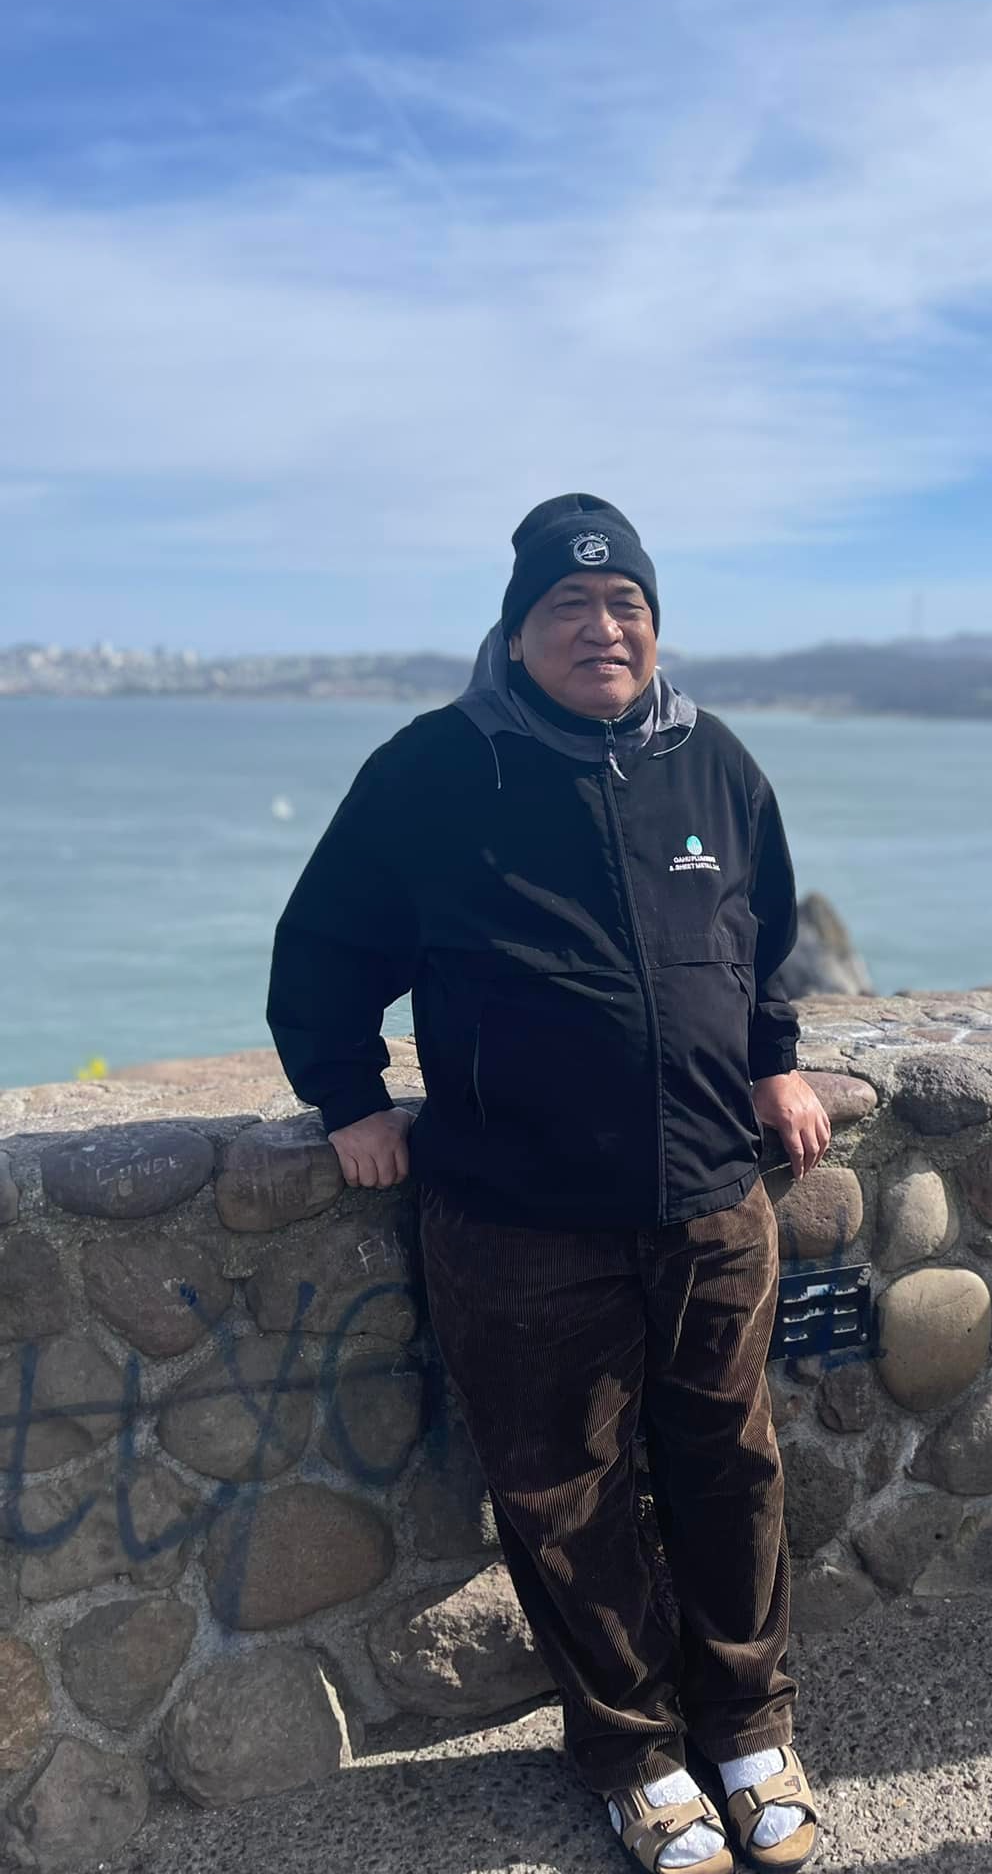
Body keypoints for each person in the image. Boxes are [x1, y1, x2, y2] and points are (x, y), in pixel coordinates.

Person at [267, 494, 831, 1874]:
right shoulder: (436, 768)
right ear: (517, 634)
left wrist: (774, 1062)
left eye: (626, 603)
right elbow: (323, 945)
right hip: (517, 1211)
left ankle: (751, 1729)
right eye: (567, 607)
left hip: (710, 1192)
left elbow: (762, 935)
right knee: (562, 1494)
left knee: (732, 1466)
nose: (602, 628)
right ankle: (635, 1756)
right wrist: (349, 1097)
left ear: (657, 626)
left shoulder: (716, 763)